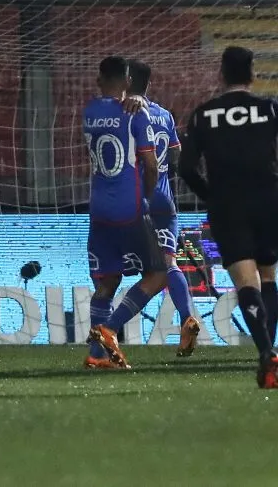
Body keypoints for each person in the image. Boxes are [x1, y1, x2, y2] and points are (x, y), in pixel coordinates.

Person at [178, 46, 278, 388]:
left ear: (221, 74)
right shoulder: (269, 109)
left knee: (245, 281)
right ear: (253, 74)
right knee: (268, 275)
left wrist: (212, 197)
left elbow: (186, 168)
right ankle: (270, 351)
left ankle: (266, 352)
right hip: (268, 200)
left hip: (228, 205)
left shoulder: (204, 114)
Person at [82, 56, 168, 370]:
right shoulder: (137, 114)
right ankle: (110, 328)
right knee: (159, 274)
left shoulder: (89, 112)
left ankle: (96, 355)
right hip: (129, 208)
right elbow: (150, 165)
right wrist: (147, 197)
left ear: (99, 80)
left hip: (98, 209)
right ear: (128, 81)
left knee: (107, 282)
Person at [126, 60, 201, 356]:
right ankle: (187, 318)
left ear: (126, 80)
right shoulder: (165, 115)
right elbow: (177, 154)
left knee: (117, 273)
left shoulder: (123, 114)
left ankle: (105, 329)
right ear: (149, 83)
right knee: (169, 265)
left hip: (136, 200)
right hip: (164, 199)